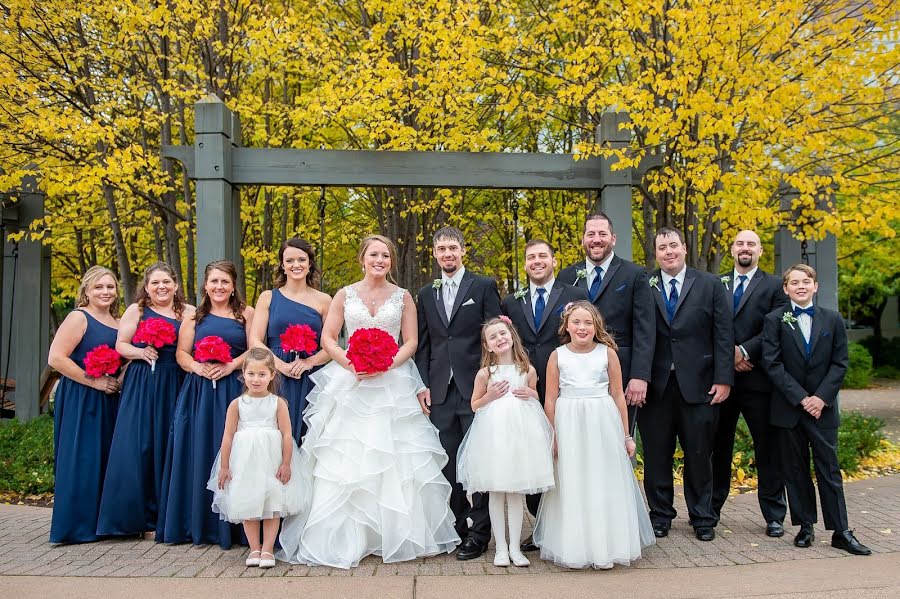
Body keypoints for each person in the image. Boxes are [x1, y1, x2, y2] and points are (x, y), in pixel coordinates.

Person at [278, 235, 459, 568]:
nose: (380, 260)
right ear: (362, 258)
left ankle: (394, 532)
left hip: (392, 381)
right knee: (347, 455)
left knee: (395, 456)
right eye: (374, 254)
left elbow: (412, 341)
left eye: (386, 255)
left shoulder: (404, 297)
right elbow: (328, 338)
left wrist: (385, 364)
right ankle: (352, 536)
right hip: (352, 380)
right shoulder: (344, 295)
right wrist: (351, 363)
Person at [533, 301, 655, 569]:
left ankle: (607, 545)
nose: (582, 327)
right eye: (576, 322)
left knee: (603, 478)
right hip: (569, 422)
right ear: (567, 325)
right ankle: (575, 545)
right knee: (573, 480)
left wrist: (626, 435)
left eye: (588, 323)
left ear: (596, 326)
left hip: (602, 421)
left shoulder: (607, 353)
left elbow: (618, 395)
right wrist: (551, 435)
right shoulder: (557, 356)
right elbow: (551, 399)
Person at [761, 264, 871, 556]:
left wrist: (820, 398)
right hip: (789, 408)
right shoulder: (774, 320)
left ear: (815, 286)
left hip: (822, 409)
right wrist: (801, 398)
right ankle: (805, 525)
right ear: (785, 289)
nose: (800, 286)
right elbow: (772, 363)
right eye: (794, 282)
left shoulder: (832, 319)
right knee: (795, 470)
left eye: (805, 281)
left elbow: (840, 363)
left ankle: (841, 531)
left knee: (829, 469)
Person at [639, 228, 733, 541]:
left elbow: (723, 334)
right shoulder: (644, 283)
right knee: (656, 455)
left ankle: (703, 517)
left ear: (684, 247)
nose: (668, 252)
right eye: (662, 247)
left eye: (673, 245)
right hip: (657, 387)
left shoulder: (710, 284)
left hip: (701, 385)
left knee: (699, 454)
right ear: (656, 253)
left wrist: (723, 378)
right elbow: (639, 332)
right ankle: (661, 515)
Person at [415, 226, 502, 560]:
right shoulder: (426, 293)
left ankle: (480, 533)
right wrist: (423, 385)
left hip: (476, 388)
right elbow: (424, 344)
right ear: (434, 254)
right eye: (441, 249)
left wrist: (491, 380)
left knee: (476, 462)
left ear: (462, 250)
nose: (447, 254)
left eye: (452, 248)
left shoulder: (482, 286)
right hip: (439, 391)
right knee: (447, 463)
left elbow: (495, 336)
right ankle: (457, 528)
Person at [156, 261, 254, 548]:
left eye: (225, 281)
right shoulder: (194, 318)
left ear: (233, 285)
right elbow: (182, 354)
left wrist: (232, 365)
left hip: (234, 387)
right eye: (214, 281)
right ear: (205, 285)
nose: (219, 287)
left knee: (236, 451)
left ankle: (237, 528)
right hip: (200, 391)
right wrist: (199, 368)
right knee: (199, 448)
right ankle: (199, 524)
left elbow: (255, 347)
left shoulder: (246, 314)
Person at [97, 262, 192, 538]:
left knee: (169, 444)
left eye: (166, 282)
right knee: (140, 444)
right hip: (143, 381)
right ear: (147, 288)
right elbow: (121, 345)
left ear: (175, 284)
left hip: (175, 380)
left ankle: (167, 517)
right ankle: (135, 519)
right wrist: (141, 353)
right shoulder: (136, 310)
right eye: (155, 283)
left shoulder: (189, 312)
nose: (161, 287)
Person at [500, 239, 586, 546]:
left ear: (553, 260)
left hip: (566, 386)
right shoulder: (512, 301)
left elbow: (583, 332)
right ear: (525, 264)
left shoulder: (575, 295)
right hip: (524, 389)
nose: (537, 261)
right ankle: (540, 529)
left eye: (542, 256)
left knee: (566, 454)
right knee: (535, 455)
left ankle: (571, 524)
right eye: (531, 257)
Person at [456, 316, 554, 567]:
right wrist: (489, 396)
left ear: (512, 337)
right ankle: (500, 547)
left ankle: (515, 548)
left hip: (521, 436)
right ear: (487, 346)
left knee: (515, 492)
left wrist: (531, 393)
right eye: (493, 337)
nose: (499, 339)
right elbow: (475, 405)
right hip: (494, 436)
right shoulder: (484, 373)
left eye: (503, 334)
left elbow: (536, 397)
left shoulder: (527, 370)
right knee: (497, 492)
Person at [711, 230, 789, 537]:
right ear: (732, 249)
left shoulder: (773, 286)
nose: (745, 249)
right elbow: (708, 323)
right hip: (722, 381)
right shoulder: (715, 283)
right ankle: (710, 509)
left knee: (767, 449)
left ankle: (773, 514)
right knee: (718, 448)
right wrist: (727, 355)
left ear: (760, 250)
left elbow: (776, 324)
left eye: (751, 244)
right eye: (740, 243)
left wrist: (742, 351)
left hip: (758, 379)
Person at [557, 213, 655, 435]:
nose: (596, 239)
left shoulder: (635, 274)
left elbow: (645, 328)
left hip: (621, 370)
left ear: (613, 238)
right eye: (591, 234)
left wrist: (639, 376)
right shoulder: (566, 275)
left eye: (602, 234)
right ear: (583, 239)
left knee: (619, 438)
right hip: (576, 376)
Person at [208, 348, 305, 569]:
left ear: (272, 375)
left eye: (262, 374)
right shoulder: (237, 404)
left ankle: (268, 549)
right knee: (247, 501)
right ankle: (254, 548)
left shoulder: (278, 403)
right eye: (251, 374)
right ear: (243, 373)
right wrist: (224, 467)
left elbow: (287, 434)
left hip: (272, 459)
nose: (256, 379)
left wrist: (286, 463)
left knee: (273, 502)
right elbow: (228, 436)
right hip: (245, 462)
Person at [48, 266, 122, 543]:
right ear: (87, 291)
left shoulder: (118, 321)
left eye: (110, 287)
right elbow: (56, 358)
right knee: (82, 457)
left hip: (111, 398)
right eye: (99, 287)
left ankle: (102, 523)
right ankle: (75, 527)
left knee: (105, 457)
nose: (105, 292)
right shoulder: (79, 317)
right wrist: (94, 382)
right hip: (82, 396)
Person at [250, 238, 331, 443]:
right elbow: (255, 341)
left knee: (306, 434)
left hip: (310, 377)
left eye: (302, 259)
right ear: (283, 265)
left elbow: (330, 346)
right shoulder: (268, 297)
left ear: (310, 263)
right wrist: (280, 366)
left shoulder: (324, 300)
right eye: (290, 260)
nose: (296, 265)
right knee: (273, 433)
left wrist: (308, 362)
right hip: (274, 374)